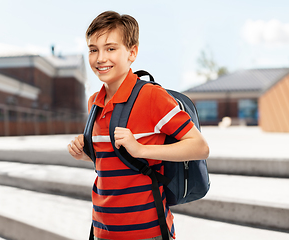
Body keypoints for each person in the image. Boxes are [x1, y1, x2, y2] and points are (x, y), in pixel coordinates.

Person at [67, 11, 209, 240]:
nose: (100, 58)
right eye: (93, 50)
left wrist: (141, 149)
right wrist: (85, 153)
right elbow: (112, 161)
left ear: (132, 52)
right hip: (103, 229)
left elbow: (200, 147)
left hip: (148, 232)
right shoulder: (94, 101)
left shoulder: (152, 96)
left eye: (110, 48)